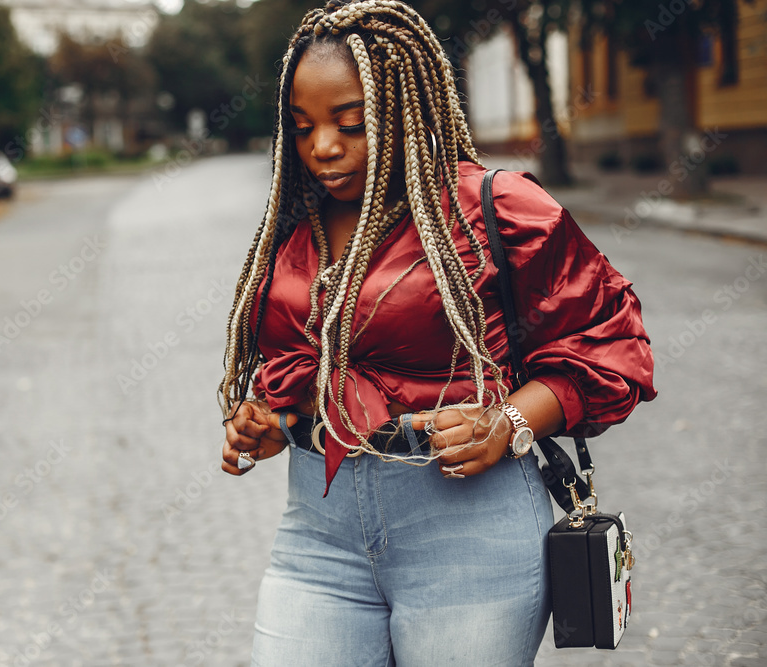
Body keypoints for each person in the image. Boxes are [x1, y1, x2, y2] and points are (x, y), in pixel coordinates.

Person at [218, 1, 657, 665]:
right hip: (318, 531)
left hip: (469, 530)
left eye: (351, 123)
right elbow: (302, 358)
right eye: (303, 127)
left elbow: (613, 345)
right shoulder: (294, 222)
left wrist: (509, 420)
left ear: (404, 111)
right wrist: (275, 416)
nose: (323, 148)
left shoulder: (498, 208)